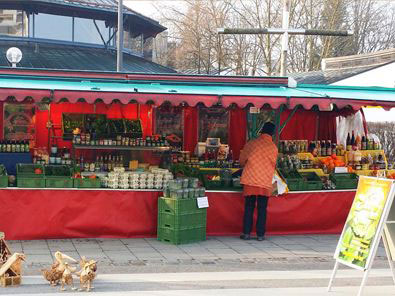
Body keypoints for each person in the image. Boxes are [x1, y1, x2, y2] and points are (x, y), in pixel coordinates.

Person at [239, 122, 278, 241]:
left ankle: (246, 233)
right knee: (262, 209)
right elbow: (274, 164)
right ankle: (260, 235)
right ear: (272, 134)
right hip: (265, 181)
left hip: (250, 179)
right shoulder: (274, 148)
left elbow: (241, 160)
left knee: (249, 207)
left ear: (261, 131)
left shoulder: (252, 143)